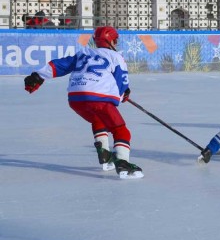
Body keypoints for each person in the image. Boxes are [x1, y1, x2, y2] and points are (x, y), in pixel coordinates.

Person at [23, 26, 144, 179]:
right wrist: (121, 95)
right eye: (115, 39)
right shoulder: (116, 56)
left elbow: (60, 65)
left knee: (98, 119)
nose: (116, 42)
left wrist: (38, 76)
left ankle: (105, 156)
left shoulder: (84, 53)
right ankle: (123, 164)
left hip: (76, 98)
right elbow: (122, 81)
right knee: (121, 130)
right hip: (98, 98)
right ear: (111, 40)